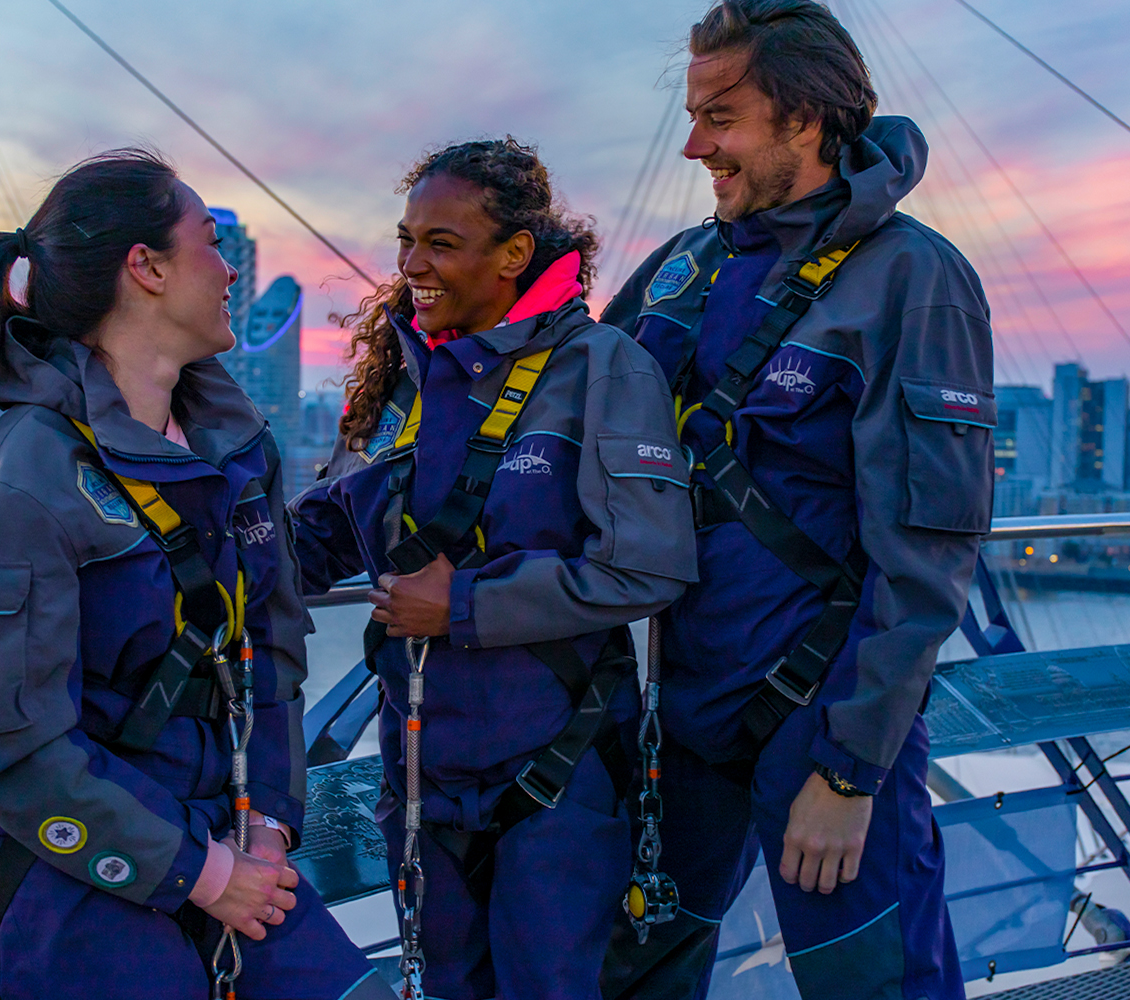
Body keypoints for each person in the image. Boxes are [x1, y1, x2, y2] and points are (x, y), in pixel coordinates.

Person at [0, 149, 393, 1000]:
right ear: (145, 268)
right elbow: (10, 745)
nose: (227, 270)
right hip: (63, 853)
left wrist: (271, 827)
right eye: (209, 243)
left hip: (227, 830)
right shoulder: (28, 469)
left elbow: (275, 655)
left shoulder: (234, 446)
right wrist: (200, 873)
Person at [598, 3, 993, 999]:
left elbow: (929, 551)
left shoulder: (912, 279)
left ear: (806, 117)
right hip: (680, 723)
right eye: (694, 116)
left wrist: (851, 770)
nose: (695, 146)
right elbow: (560, 416)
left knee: (872, 985)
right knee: (634, 978)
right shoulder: (679, 272)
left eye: (721, 116)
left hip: (819, 727)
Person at [290, 138, 698, 1000]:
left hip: (557, 774)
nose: (411, 265)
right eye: (405, 241)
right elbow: (326, 532)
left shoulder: (601, 370)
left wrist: (463, 606)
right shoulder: (401, 379)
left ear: (516, 253)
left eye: (440, 242)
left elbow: (649, 571)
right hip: (421, 782)